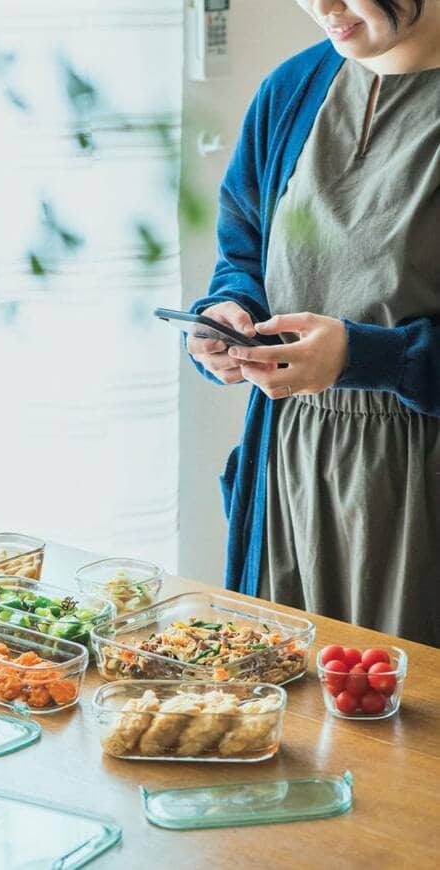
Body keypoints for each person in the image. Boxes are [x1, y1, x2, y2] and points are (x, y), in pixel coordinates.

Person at [187, 0, 440, 647]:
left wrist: (369, 358)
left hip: (418, 493)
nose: (323, 8)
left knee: (404, 704)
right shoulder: (293, 89)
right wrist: (228, 313)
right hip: (288, 470)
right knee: (280, 691)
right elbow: (245, 251)